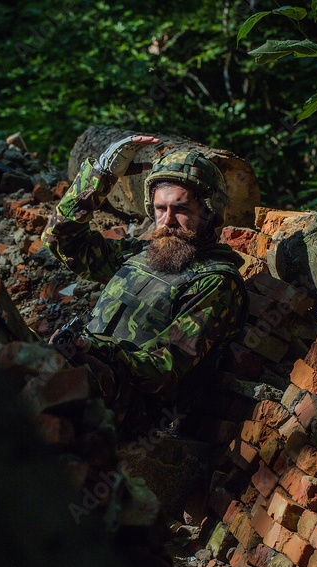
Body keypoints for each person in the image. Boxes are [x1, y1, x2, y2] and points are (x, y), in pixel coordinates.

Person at [41, 135, 248, 434]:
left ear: (209, 211)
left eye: (181, 209)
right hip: (88, 371)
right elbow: (60, 241)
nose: (167, 221)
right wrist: (100, 175)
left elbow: (162, 368)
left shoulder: (215, 282)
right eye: (160, 209)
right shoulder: (142, 254)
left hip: (135, 408)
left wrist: (92, 348)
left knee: (52, 385)